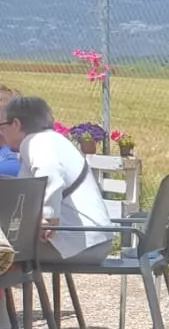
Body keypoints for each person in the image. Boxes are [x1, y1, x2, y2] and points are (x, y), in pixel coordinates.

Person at [0, 95, 113, 267]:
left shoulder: (37, 142)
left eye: (2, 126)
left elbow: (50, 172)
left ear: (16, 124)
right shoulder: (52, 140)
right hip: (92, 240)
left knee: (4, 250)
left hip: (75, 244)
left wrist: (48, 217)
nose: (2, 132)